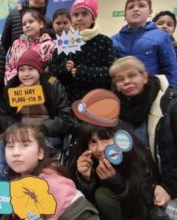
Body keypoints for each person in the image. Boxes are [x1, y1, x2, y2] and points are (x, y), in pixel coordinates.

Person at [67, 89, 156, 220]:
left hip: (133, 212)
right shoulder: (83, 158)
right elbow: (82, 204)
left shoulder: (135, 154)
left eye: (106, 139)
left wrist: (116, 181)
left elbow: (143, 201)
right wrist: (85, 180)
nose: (100, 148)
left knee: (102, 195)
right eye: (93, 142)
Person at [109, 56, 177, 211]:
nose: (126, 81)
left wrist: (169, 186)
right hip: (140, 180)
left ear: (145, 77)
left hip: (168, 181)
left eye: (132, 75)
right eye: (120, 79)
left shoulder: (170, 106)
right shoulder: (115, 110)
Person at [2, 123, 99, 219]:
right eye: (10, 146)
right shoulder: (17, 179)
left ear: (40, 153)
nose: (16, 153)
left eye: (25, 145)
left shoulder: (49, 180)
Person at [0, 50, 74, 148]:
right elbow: (2, 115)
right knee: (2, 146)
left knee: (33, 147)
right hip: (18, 134)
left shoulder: (52, 85)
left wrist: (43, 129)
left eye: (31, 69)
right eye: (21, 70)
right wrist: (16, 128)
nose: (26, 74)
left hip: (46, 134)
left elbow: (66, 117)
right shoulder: (11, 87)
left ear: (39, 70)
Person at [50, 0, 115, 104]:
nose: (79, 18)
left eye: (85, 14)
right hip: (67, 101)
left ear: (93, 18)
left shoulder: (104, 42)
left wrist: (83, 72)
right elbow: (52, 70)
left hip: (95, 101)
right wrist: (63, 68)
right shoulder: (65, 41)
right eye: (75, 15)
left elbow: (110, 73)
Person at [112, 0, 177, 86]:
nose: (135, 9)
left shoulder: (161, 37)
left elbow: (170, 68)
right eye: (131, 7)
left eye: (141, 6)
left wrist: (172, 92)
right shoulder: (113, 40)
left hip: (153, 93)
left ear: (150, 12)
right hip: (123, 92)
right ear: (125, 15)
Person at [5, 8, 55, 84]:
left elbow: (50, 70)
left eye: (31, 22)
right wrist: (11, 82)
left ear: (41, 24)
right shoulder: (16, 44)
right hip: (18, 88)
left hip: (41, 88)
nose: (27, 25)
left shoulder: (49, 45)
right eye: (24, 24)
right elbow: (9, 67)